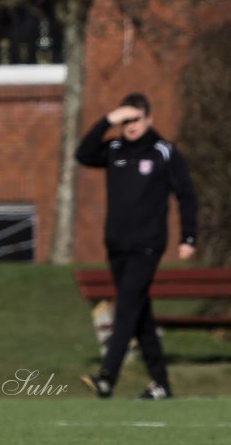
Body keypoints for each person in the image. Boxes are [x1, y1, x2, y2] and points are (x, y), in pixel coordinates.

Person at [76, 93, 197, 400]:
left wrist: (188, 237)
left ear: (149, 120)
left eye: (136, 120)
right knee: (139, 313)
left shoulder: (163, 152)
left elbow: (186, 195)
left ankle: (107, 378)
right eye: (125, 121)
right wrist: (107, 121)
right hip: (117, 244)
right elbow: (83, 154)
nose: (130, 127)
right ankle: (161, 384)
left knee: (127, 308)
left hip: (148, 245)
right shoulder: (114, 149)